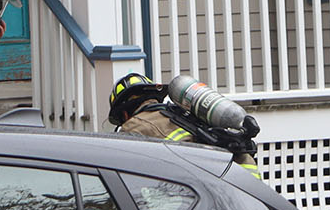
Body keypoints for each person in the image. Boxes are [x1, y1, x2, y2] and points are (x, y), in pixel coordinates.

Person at [108, 72, 263, 177]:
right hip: (248, 178)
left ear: (124, 113)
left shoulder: (133, 127)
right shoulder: (184, 112)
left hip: (214, 190)